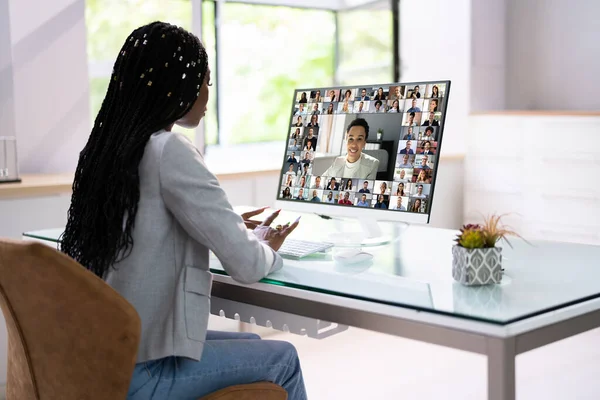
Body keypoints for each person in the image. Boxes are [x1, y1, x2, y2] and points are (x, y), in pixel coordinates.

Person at [59, 22, 306, 399]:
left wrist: (226, 227)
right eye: (205, 81)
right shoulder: (169, 150)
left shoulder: (107, 152)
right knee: (283, 358)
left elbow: (146, 225)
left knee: (253, 341)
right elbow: (247, 266)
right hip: (138, 375)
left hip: (97, 361)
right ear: (176, 86)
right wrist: (264, 244)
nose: (208, 93)